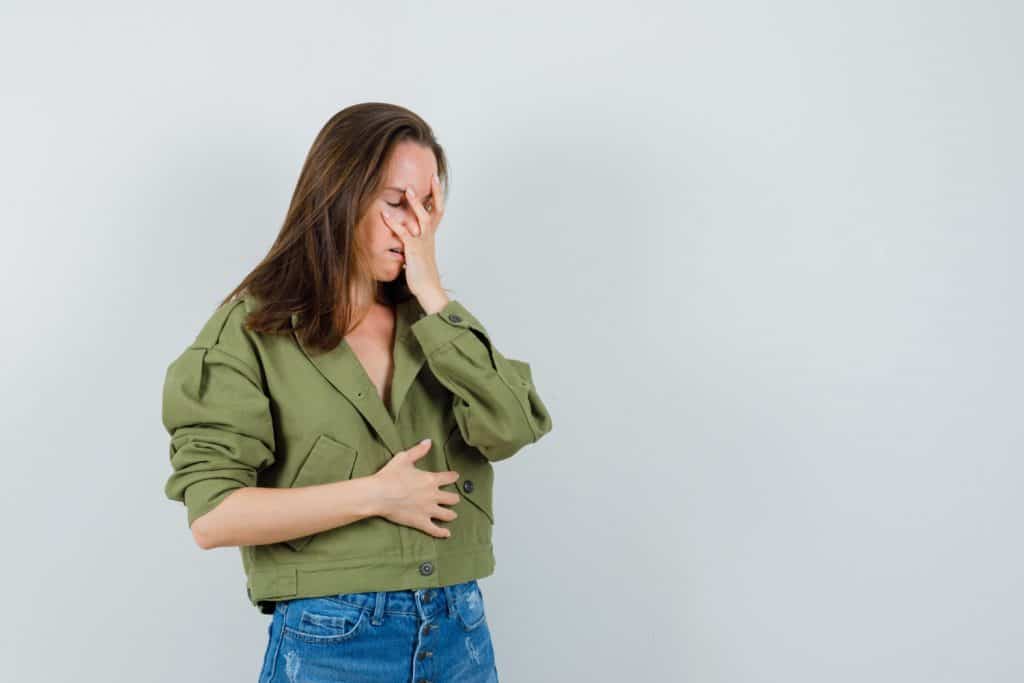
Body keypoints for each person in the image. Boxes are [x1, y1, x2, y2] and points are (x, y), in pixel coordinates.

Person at [160, 103, 554, 682]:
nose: (414, 226)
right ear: (340, 196)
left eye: (427, 206)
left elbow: (513, 426)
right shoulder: (251, 332)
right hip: (334, 639)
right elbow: (214, 516)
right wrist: (376, 496)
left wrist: (435, 295)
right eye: (397, 202)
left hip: (459, 630)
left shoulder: (435, 328)